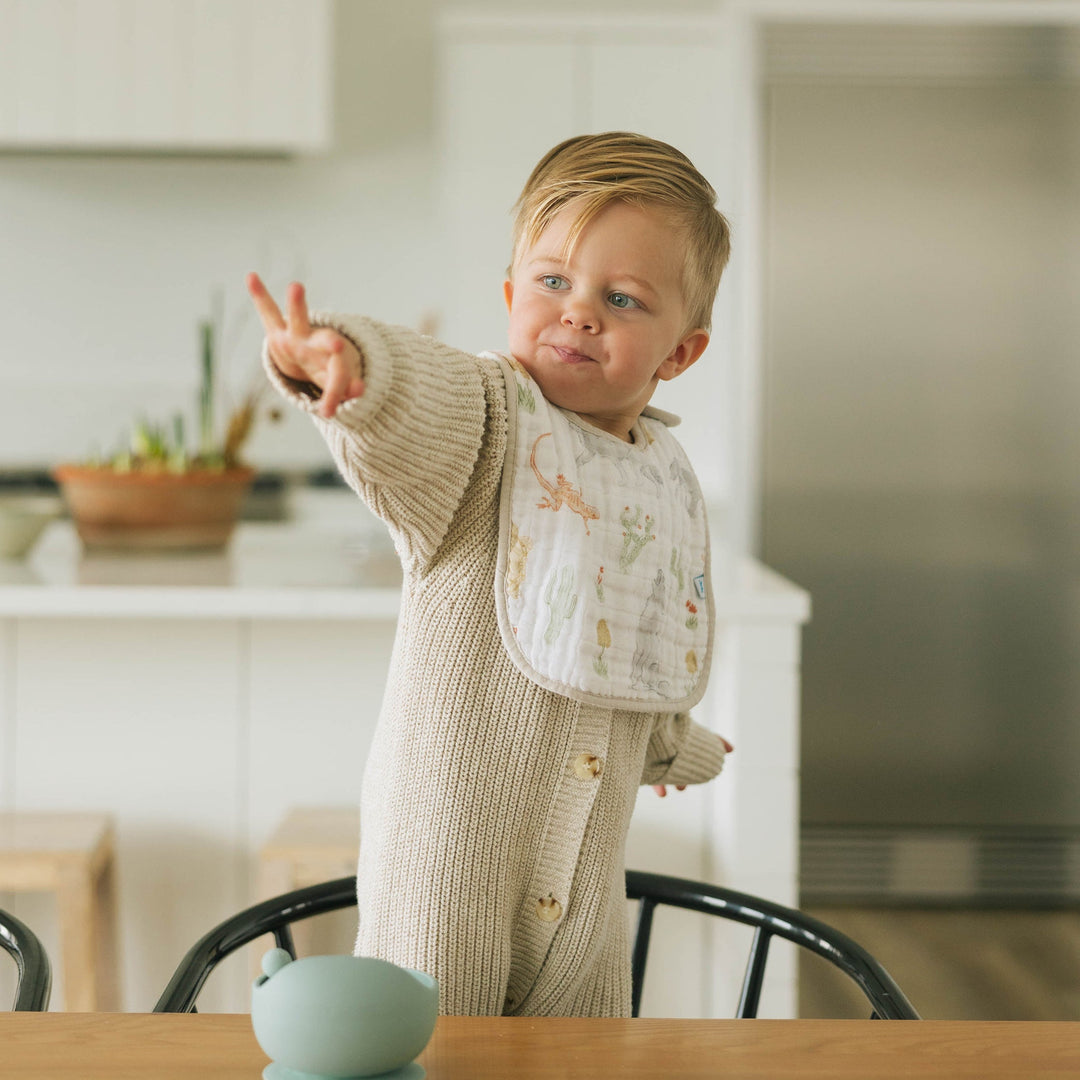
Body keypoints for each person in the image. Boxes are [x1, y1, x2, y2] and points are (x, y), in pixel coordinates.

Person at [248, 131, 734, 1017]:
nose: (579, 312)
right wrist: (353, 373)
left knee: (582, 1056)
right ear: (512, 296)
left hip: (584, 892)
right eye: (554, 282)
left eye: (621, 298)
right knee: (434, 1046)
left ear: (680, 353)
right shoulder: (490, 423)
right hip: (443, 873)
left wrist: (674, 743)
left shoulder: (658, 477)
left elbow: (635, 636)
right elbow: (414, 401)